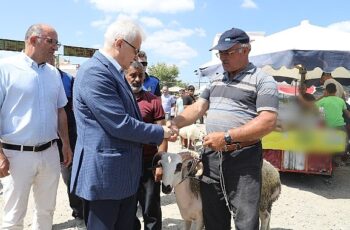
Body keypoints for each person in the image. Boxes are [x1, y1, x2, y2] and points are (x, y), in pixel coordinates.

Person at [168, 27, 278, 230]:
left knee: (245, 220)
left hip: (243, 159)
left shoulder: (263, 81)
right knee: (214, 218)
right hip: (211, 159)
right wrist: (176, 122)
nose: (222, 57)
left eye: (229, 52)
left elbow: (267, 121)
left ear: (246, 50)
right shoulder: (216, 78)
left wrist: (227, 137)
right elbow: (199, 107)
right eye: (220, 53)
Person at [70, 19, 174, 230]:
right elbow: (120, 124)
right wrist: (161, 131)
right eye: (135, 50)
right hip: (105, 178)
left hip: (121, 177)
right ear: (119, 43)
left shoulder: (114, 73)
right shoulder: (95, 72)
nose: (136, 56)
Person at [0, 24, 72, 229]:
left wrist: (65, 144)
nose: (55, 47)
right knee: (13, 216)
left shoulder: (53, 74)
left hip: (49, 152)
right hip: (16, 155)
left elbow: (60, 111)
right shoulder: (5, 69)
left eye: (57, 43)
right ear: (33, 40)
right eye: (51, 41)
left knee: (46, 211)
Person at [125, 61, 167, 230]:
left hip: (148, 162)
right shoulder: (118, 99)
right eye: (132, 75)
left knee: (151, 208)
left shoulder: (153, 101)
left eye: (140, 75)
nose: (137, 79)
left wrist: (160, 164)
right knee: (127, 210)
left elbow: (162, 133)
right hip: (125, 163)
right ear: (125, 76)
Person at [47, 55, 85, 228]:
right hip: (42, 139)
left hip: (68, 137)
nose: (50, 58)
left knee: (71, 177)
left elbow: (75, 108)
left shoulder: (68, 79)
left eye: (52, 56)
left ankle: (79, 212)